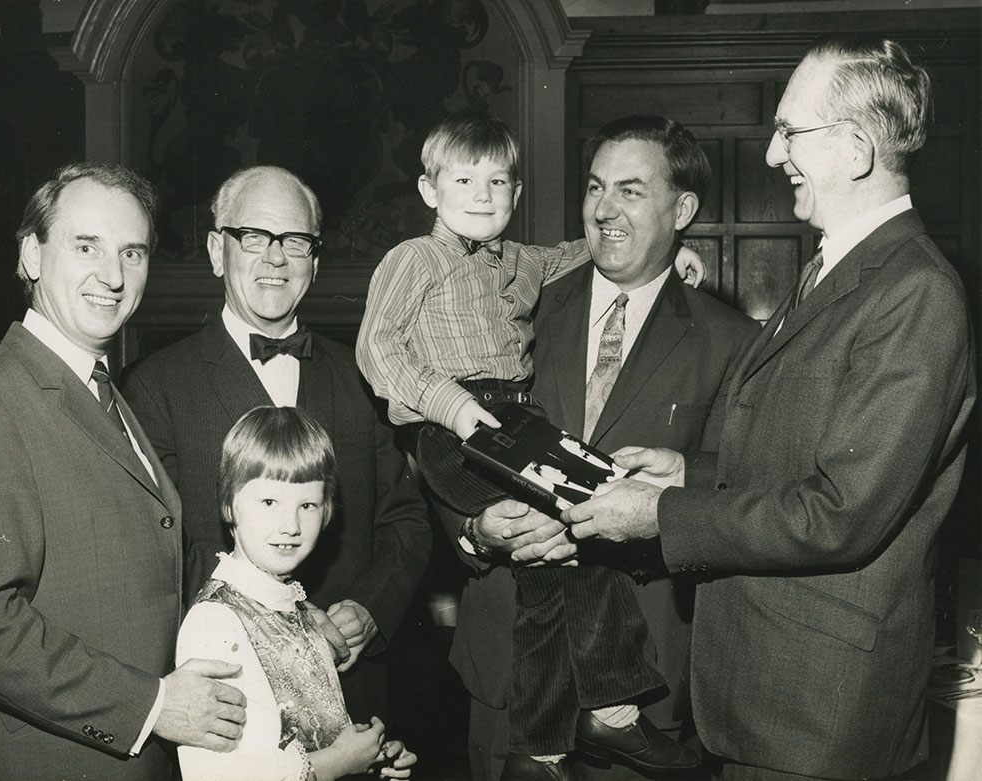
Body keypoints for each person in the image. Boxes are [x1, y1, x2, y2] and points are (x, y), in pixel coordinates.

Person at [564, 36, 976, 781]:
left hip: (820, 717)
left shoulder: (915, 292)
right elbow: (802, 454)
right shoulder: (835, 265)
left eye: (788, 131)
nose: (768, 154)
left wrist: (659, 516)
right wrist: (687, 470)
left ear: (854, 148)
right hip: (767, 699)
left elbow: (841, 512)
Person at [438, 115, 759, 781]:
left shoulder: (730, 342)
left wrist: (643, 512)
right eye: (594, 187)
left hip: (640, 690)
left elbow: (741, 491)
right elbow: (440, 438)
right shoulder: (511, 305)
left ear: (683, 210)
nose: (604, 209)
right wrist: (475, 524)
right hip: (507, 669)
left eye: (631, 190)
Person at [121, 165, 431, 724]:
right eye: (254, 238)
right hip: (235, 700)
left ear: (315, 260)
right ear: (218, 251)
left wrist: (370, 610)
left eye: (294, 241)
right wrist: (283, 619)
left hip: (353, 696)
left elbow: (404, 520)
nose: (275, 259)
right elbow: (157, 555)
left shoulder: (367, 380)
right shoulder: (156, 386)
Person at [0, 162, 247, 780]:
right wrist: (152, 705)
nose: (113, 276)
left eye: (132, 253)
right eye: (86, 247)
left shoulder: (105, 389)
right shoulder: (2, 397)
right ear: (31, 254)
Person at [355, 110, 703, 515]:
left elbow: (588, 248)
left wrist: (672, 248)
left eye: (497, 182)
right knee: (533, 518)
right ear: (430, 191)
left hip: (521, 415)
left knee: (580, 509)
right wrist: (449, 405)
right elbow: (376, 347)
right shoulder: (414, 258)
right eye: (464, 180)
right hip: (449, 423)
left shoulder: (525, 261)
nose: (483, 196)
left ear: (515, 195)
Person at [177, 406, 417, 781]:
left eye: (307, 505)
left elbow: (310, 733)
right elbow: (212, 775)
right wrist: (339, 763)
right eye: (269, 502)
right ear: (228, 505)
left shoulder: (294, 604)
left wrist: (368, 761)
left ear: (326, 513)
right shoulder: (217, 621)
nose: (290, 525)